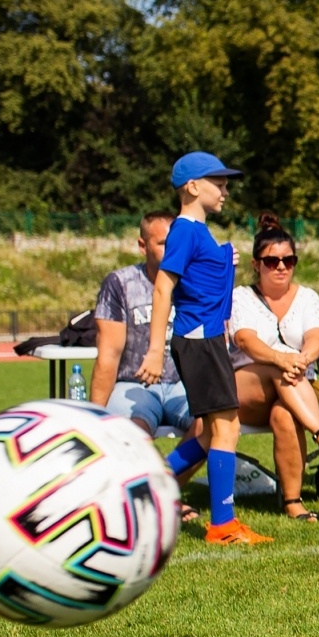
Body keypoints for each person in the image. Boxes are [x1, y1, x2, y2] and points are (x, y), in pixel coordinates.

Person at [137, 151, 273, 546]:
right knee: (226, 427)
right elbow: (164, 287)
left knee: (219, 428)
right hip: (197, 340)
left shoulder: (198, 231)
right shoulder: (183, 230)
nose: (226, 191)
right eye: (219, 183)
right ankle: (222, 526)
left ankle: (148, 485)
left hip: (208, 339)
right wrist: (152, 351)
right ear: (193, 187)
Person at [229, 213, 319, 522]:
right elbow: (245, 341)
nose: (281, 266)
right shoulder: (240, 297)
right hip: (248, 388)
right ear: (256, 264)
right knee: (275, 367)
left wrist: (301, 359)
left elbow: (315, 338)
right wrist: (281, 359)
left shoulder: (308, 297)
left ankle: (293, 501)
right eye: (272, 261)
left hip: (298, 386)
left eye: (288, 260)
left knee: (284, 414)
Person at [90, 210, 203, 520]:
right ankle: (158, 498)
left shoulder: (196, 282)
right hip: (133, 385)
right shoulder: (121, 283)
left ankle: (166, 492)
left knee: (211, 423)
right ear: (143, 245)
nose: (173, 252)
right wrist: (93, 418)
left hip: (184, 383)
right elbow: (109, 355)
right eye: (164, 244)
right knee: (132, 431)